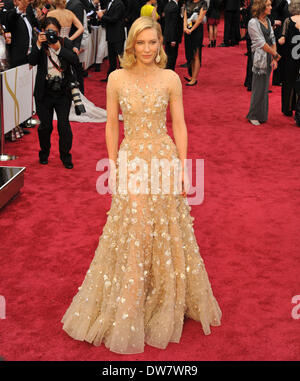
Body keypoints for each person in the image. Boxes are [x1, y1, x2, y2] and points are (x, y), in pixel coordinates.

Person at [61, 16, 221, 354]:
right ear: (131, 44)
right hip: (132, 158)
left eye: (152, 42)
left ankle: (162, 294)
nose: (146, 49)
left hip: (163, 159)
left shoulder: (171, 78)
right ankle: (132, 299)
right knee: (135, 226)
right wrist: (113, 165)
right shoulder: (117, 78)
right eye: (141, 42)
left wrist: (182, 166)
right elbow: (110, 126)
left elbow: (179, 124)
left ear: (160, 44)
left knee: (164, 228)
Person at [28, 16, 79, 168]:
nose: (51, 35)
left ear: (59, 32)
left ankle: (66, 156)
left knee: (64, 126)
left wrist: (59, 48)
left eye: (54, 32)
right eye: (49, 31)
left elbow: (75, 61)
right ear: (43, 31)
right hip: (43, 92)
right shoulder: (40, 45)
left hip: (63, 92)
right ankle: (44, 153)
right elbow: (31, 61)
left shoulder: (65, 42)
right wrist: (38, 43)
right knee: (46, 126)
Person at [246, 0, 281, 125]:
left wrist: (274, 58)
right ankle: (253, 115)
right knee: (257, 87)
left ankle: (261, 115)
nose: (271, 7)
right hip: (259, 58)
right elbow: (260, 42)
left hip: (268, 56)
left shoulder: (267, 21)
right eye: (268, 5)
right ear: (261, 7)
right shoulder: (252, 22)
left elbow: (272, 39)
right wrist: (275, 54)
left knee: (265, 87)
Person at [278, 0, 300, 122]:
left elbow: (282, 38)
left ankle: (287, 108)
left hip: (291, 57)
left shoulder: (288, 20)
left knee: (288, 82)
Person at [97, 0, 126, 82]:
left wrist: (102, 16)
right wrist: (103, 13)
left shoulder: (119, 3)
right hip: (111, 34)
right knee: (112, 59)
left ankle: (123, 79)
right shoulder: (110, 3)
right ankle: (110, 78)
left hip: (118, 35)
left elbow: (114, 19)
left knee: (120, 59)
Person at [183, 0, 207, 86]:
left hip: (197, 31)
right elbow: (185, 16)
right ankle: (192, 75)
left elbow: (200, 19)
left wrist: (191, 30)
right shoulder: (188, 2)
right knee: (190, 54)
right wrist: (185, 27)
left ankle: (194, 78)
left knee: (196, 54)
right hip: (187, 31)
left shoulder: (203, 3)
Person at [163, 0, 183, 70]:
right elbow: (173, 24)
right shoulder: (175, 7)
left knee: (168, 56)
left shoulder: (168, 5)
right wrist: (173, 39)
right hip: (172, 36)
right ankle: (170, 74)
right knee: (172, 57)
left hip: (167, 35)